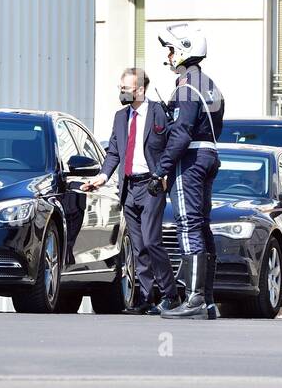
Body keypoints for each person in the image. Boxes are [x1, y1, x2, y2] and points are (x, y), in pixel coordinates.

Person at [84, 68, 172, 314]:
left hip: (152, 186)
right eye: (120, 88)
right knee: (138, 245)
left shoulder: (158, 114)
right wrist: (102, 177)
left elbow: (171, 147)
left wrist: (165, 174)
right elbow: (114, 151)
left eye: (126, 88)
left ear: (140, 90)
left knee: (152, 241)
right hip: (129, 187)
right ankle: (146, 299)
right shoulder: (120, 117)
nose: (122, 92)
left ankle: (170, 295)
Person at [153, 23, 225, 320]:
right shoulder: (209, 83)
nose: (168, 55)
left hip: (191, 158)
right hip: (209, 154)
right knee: (201, 224)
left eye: (171, 49)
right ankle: (207, 300)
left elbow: (181, 133)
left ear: (184, 49)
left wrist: (161, 169)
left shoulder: (186, 86)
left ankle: (194, 299)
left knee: (188, 224)